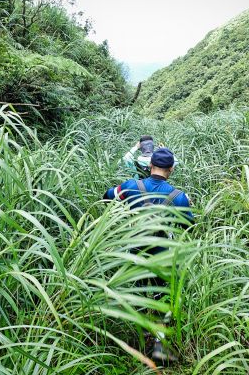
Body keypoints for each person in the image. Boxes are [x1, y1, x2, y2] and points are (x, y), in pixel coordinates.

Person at [104, 147, 192, 364]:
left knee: (139, 296)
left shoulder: (131, 186)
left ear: (150, 165)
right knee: (166, 297)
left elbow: (107, 197)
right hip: (164, 257)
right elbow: (188, 225)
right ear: (171, 169)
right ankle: (160, 343)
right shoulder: (179, 197)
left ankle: (141, 340)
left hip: (135, 253)